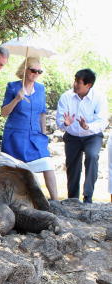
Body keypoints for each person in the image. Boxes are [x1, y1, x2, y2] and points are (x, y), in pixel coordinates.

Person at [1, 57, 58, 200]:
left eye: (39, 71)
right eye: (33, 70)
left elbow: (42, 113)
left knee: (47, 163)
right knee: (15, 171)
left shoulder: (41, 89)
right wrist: (16, 99)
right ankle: (14, 200)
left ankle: (56, 201)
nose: (36, 74)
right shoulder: (13, 87)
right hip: (15, 136)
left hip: (35, 136)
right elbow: (3, 113)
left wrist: (44, 134)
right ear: (25, 70)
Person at [56, 69, 109, 203]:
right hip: (72, 136)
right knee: (72, 166)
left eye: (78, 82)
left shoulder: (99, 97)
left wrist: (88, 126)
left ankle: (88, 197)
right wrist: (65, 124)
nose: (74, 84)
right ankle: (73, 199)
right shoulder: (66, 97)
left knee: (92, 156)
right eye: (75, 81)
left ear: (88, 85)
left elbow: (103, 121)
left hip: (92, 136)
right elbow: (60, 121)